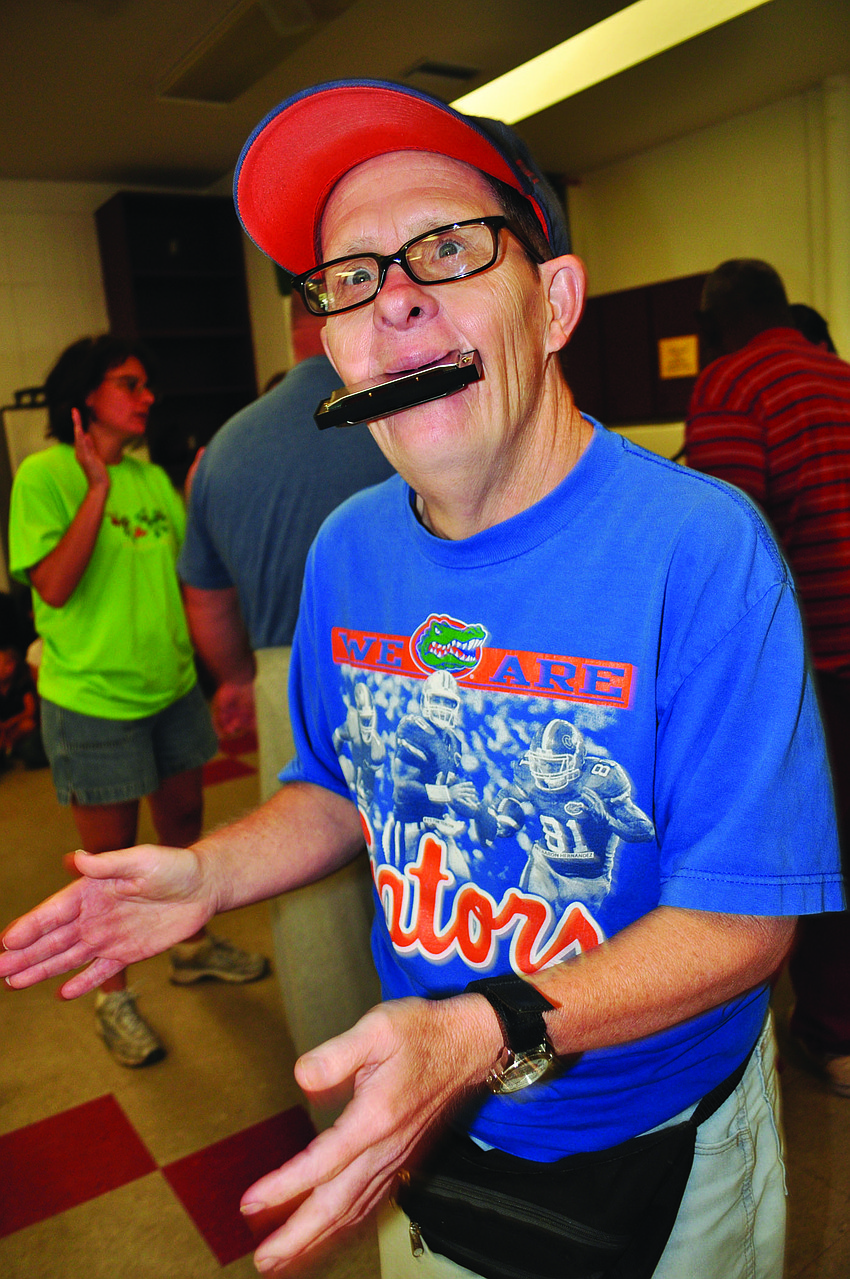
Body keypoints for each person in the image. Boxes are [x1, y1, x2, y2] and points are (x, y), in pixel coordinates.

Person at [0, 84, 843, 1279]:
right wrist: (209, 873)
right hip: (431, 1107)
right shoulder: (347, 550)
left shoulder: (700, 548)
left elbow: (743, 918)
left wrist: (484, 1030)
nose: (392, 296)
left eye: (448, 248)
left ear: (553, 303)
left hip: (658, 1135)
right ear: (335, 348)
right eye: (349, 276)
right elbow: (337, 786)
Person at [6, 335, 267, 1068]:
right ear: (83, 399)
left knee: (182, 824)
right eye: (129, 384)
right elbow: (53, 586)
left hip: (172, 689)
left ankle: (191, 945)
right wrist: (96, 488)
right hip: (92, 701)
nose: (147, 397)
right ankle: (111, 993)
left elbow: (189, 585)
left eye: (146, 384)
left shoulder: (152, 480)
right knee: (108, 861)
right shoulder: (44, 475)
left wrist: (221, 677)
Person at [178, 353, 393, 1079]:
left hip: (284, 672)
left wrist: (237, 678)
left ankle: (339, 1093)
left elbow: (206, 598)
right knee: (434, 874)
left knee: (313, 912)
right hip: (423, 657)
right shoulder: (407, 411)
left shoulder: (227, 449)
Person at [685, 260, 850, 1099]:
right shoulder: (840, 376)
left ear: (719, 321)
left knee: (807, 849)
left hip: (811, 667)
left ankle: (830, 1029)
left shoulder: (731, 383)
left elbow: (731, 543)